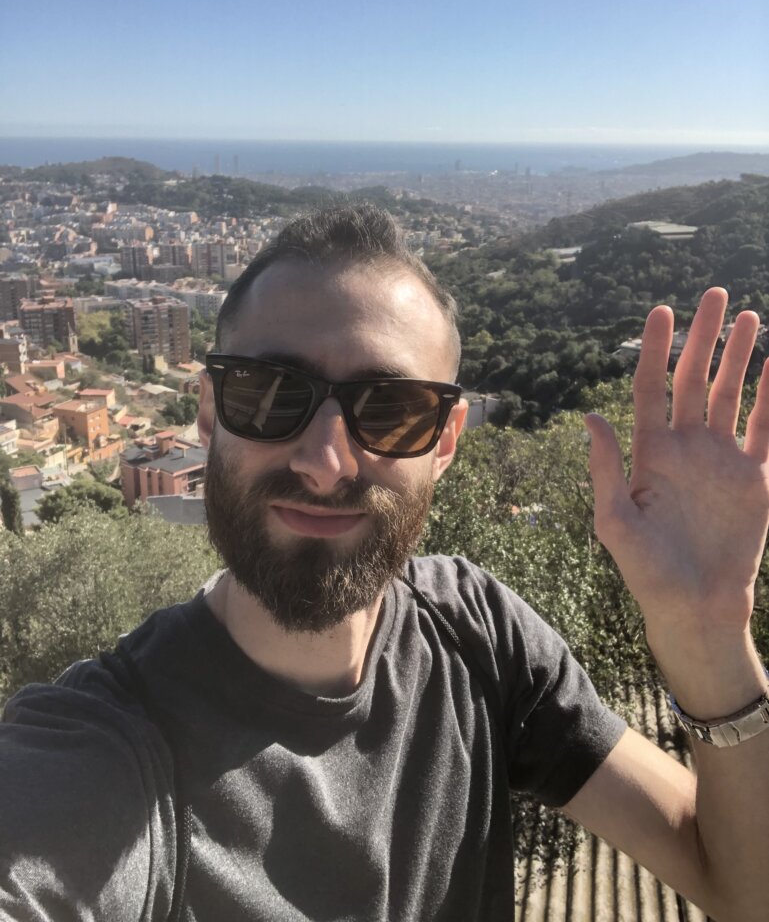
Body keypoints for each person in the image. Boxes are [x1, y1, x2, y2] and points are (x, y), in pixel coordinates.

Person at [1, 205, 768, 922]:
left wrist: (703, 630)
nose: (327, 463)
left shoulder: (479, 636)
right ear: (207, 412)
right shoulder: (107, 749)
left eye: (391, 411)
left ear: (444, 440)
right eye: (269, 395)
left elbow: (740, 886)